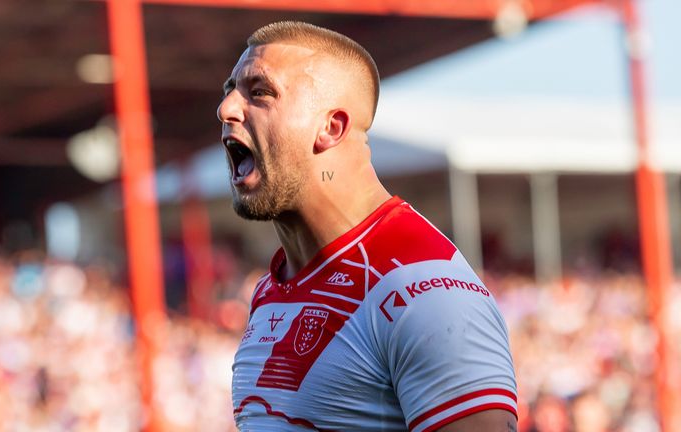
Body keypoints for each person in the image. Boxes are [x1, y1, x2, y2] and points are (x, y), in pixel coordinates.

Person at [218, 21, 517, 432]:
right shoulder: (271, 289)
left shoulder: (426, 291)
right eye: (230, 92)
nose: (227, 109)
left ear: (331, 128)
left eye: (260, 92)